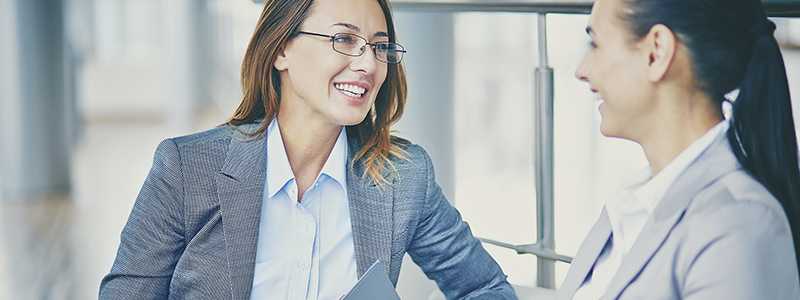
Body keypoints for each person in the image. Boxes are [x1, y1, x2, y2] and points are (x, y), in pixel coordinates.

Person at [99, 0, 515, 299]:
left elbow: (484, 288)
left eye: (379, 46)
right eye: (344, 40)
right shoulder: (187, 169)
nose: (368, 65)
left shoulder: (403, 177)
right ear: (281, 49)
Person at [561, 0, 800, 299]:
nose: (581, 70)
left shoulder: (739, 224)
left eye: (594, 43)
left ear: (656, 52)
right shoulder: (627, 206)